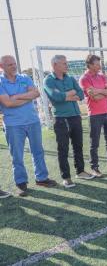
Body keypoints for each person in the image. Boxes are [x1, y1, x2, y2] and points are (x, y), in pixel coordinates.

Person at [0, 55, 57, 197]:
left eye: (14, 63)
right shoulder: (0, 82)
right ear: (2, 67)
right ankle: (21, 183)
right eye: (9, 65)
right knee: (17, 155)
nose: (14, 66)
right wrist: (26, 96)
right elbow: (7, 103)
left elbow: (36, 93)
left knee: (38, 151)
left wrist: (16, 97)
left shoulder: (24, 77)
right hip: (13, 124)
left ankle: (41, 178)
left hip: (33, 121)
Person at [44, 55, 95, 189]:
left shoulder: (70, 78)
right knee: (63, 149)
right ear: (55, 65)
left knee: (78, 146)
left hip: (75, 116)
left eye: (66, 63)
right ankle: (66, 177)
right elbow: (56, 97)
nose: (67, 65)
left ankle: (80, 171)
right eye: (64, 63)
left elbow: (81, 95)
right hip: (61, 119)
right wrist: (70, 94)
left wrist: (66, 94)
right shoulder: (48, 80)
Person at [79, 54, 107, 177]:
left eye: (99, 63)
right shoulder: (84, 78)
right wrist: (103, 93)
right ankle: (94, 167)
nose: (99, 66)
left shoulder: (102, 76)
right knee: (94, 143)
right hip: (94, 115)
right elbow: (94, 98)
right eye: (97, 64)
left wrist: (99, 91)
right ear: (89, 65)